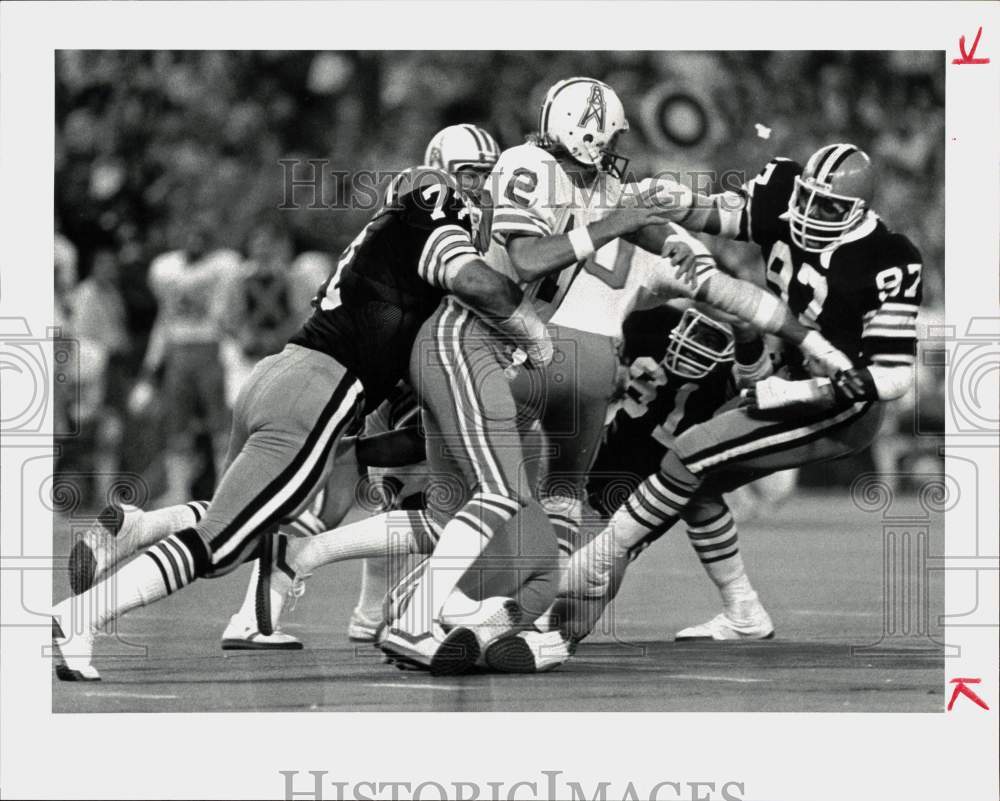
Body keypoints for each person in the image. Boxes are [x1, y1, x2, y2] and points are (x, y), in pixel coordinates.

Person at [52, 163, 552, 681]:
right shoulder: (428, 211)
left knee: (247, 523)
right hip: (318, 391)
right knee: (221, 543)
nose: (475, 200)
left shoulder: (376, 247)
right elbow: (477, 281)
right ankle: (80, 617)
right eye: (469, 185)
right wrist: (530, 330)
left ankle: (142, 527)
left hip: (280, 374)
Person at [565, 144, 923, 642]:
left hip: (840, 404)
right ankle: (745, 613)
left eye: (828, 207)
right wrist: (669, 200)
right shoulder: (784, 198)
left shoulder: (888, 258)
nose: (809, 213)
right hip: (791, 370)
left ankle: (594, 560)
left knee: (689, 453)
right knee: (699, 486)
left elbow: (893, 376)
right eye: (807, 198)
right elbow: (709, 213)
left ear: (859, 209)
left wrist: (799, 395)